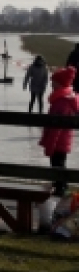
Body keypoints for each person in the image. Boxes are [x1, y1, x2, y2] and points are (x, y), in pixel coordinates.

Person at [39, 66, 79, 198]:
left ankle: (60, 189)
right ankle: (62, 186)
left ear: (60, 84)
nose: (51, 84)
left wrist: (50, 146)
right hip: (63, 140)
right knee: (59, 163)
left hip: (58, 141)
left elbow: (56, 128)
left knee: (57, 165)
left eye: (54, 82)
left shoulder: (62, 102)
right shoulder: (63, 99)